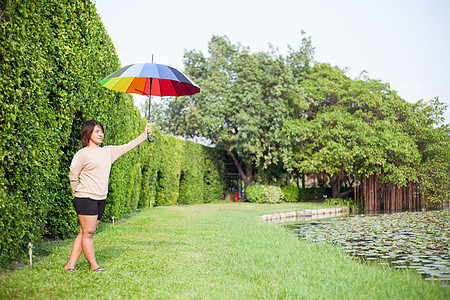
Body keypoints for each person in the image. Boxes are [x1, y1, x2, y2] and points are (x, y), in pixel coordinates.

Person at [64, 119, 152, 273]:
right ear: (88, 133)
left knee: (84, 232)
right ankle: (94, 266)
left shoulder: (108, 152)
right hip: (85, 198)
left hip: (100, 199)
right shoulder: (82, 154)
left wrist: (144, 135)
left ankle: (69, 265)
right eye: (97, 131)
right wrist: (77, 194)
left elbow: (127, 146)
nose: (101, 134)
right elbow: (73, 175)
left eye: (101, 131)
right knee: (89, 233)